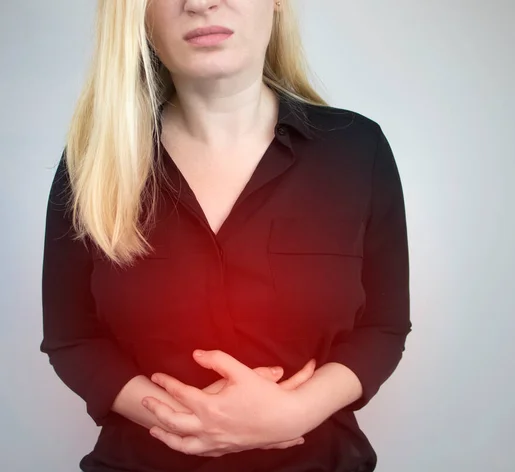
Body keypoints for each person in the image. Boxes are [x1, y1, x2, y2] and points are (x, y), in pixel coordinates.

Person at [39, 0, 412, 471]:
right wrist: (187, 420)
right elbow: (73, 339)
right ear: (137, 14)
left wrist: (296, 412)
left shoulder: (357, 150)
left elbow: (383, 327)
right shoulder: (91, 163)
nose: (199, 3)